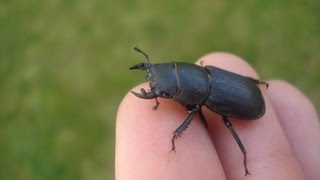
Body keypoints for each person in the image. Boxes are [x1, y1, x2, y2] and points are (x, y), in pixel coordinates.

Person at [115, 52, 320, 179]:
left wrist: (176, 134)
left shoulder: (205, 99)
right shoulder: (207, 72)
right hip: (231, 86)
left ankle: (245, 155)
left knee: (227, 125)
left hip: (250, 104)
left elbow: (193, 109)